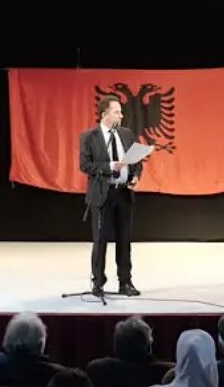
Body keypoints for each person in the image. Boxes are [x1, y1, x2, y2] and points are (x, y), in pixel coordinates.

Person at [80, 95, 144, 297]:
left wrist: (135, 176)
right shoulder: (89, 137)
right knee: (100, 240)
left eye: (120, 112)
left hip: (123, 193)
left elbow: (137, 161)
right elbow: (85, 165)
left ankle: (125, 282)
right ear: (105, 114)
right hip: (102, 195)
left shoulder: (126, 134)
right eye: (117, 112)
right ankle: (98, 283)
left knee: (124, 240)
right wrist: (109, 166)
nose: (121, 115)